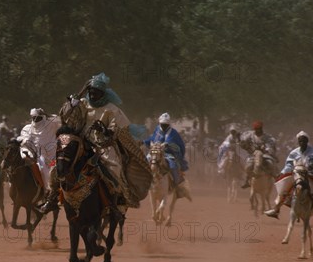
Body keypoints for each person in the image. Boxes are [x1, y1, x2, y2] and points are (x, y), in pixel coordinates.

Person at [43, 72, 150, 216]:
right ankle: (52, 198)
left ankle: (117, 200)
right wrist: (78, 95)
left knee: (115, 169)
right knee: (56, 166)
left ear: (103, 93)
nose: (93, 95)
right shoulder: (83, 104)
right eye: (91, 92)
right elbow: (66, 115)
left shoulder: (112, 109)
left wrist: (105, 130)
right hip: (80, 143)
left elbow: (116, 130)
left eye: (96, 92)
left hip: (104, 146)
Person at [264, 131, 313, 219]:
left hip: (312, 174)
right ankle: (276, 209)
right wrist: (283, 172)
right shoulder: (294, 152)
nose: (302, 143)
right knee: (284, 186)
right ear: (298, 142)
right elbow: (289, 165)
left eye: (304, 141)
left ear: (307, 141)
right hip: (297, 173)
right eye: (300, 141)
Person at [17, 108, 61, 196]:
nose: (36, 120)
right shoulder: (28, 128)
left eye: (38, 118)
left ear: (43, 117)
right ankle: (46, 191)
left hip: (54, 157)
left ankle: (55, 192)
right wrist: (24, 141)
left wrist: (47, 114)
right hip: (38, 157)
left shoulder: (51, 124)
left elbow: (60, 118)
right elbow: (23, 140)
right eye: (34, 118)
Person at [144, 113, 189, 186]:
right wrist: (145, 142)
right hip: (155, 151)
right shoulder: (157, 130)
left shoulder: (173, 133)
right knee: (146, 160)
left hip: (168, 154)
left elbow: (178, 145)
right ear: (159, 123)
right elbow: (152, 138)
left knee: (172, 165)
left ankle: (176, 182)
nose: (164, 126)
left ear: (168, 124)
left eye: (166, 124)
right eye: (162, 124)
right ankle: (145, 180)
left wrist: (167, 144)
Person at [240, 120, 278, 188]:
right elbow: (243, 140)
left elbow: (271, 144)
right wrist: (243, 143)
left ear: (261, 128)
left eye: (259, 129)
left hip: (265, 154)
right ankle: (247, 180)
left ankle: (276, 178)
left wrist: (265, 148)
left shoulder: (267, 137)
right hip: (253, 154)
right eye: (256, 129)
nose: (257, 130)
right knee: (248, 167)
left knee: (271, 164)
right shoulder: (250, 135)